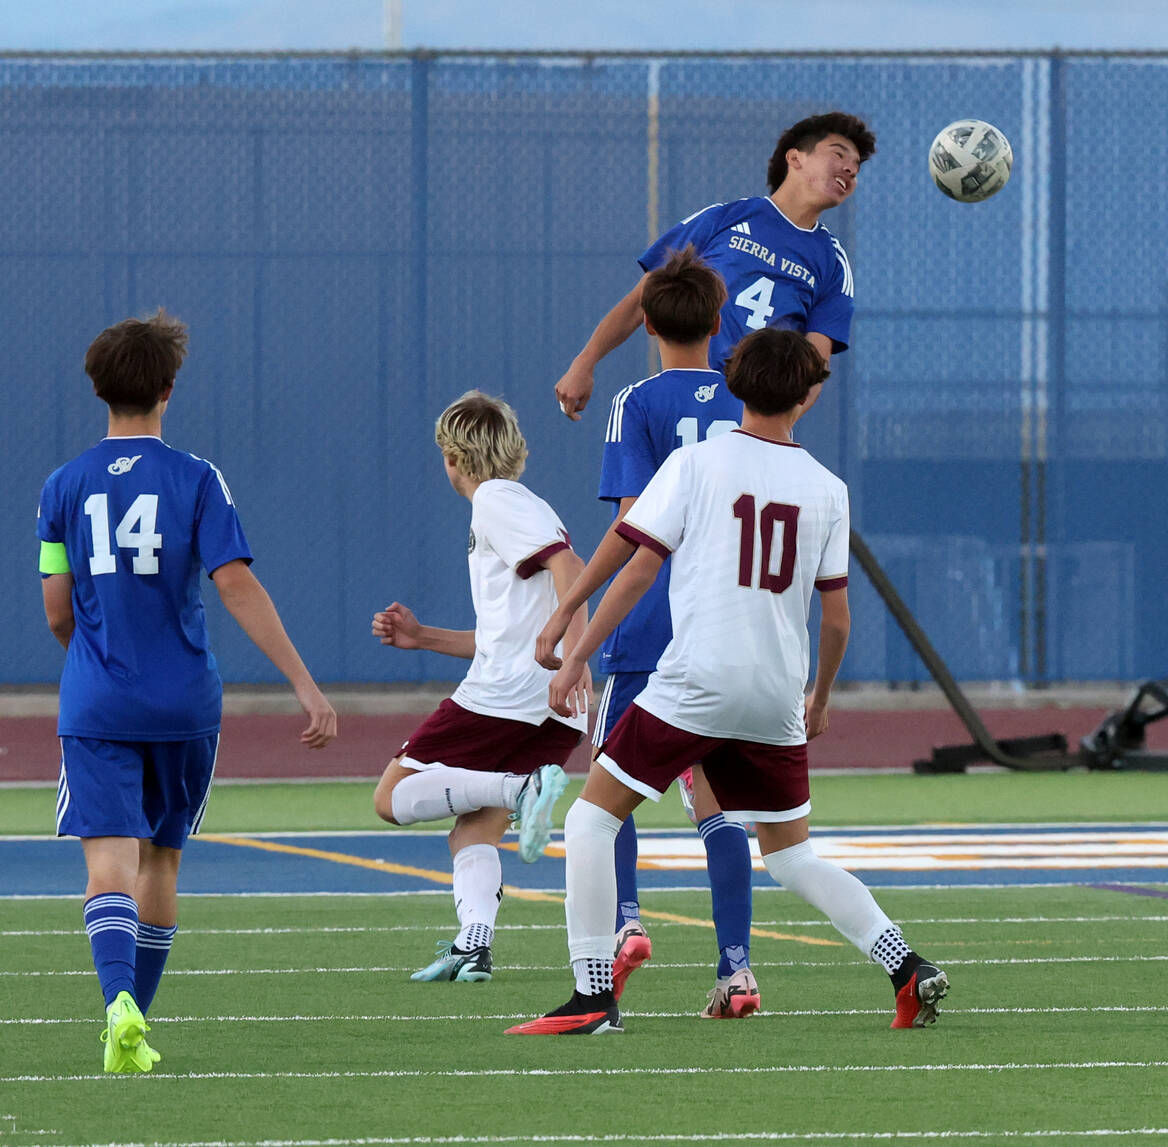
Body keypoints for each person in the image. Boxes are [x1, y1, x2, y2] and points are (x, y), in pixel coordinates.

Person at [508, 328, 948, 1035]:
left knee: (591, 818)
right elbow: (836, 620)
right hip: (775, 693)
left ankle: (593, 996)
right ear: (806, 395)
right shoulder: (827, 489)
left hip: (699, 682)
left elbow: (639, 567)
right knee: (793, 855)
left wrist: (575, 644)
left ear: (734, 382)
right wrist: (821, 697)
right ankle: (906, 965)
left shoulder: (696, 464)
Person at [37, 309, 337, 1073]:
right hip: (185, 707)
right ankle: (138, 1014)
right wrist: (305, 684)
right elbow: (234, 582)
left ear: (97, 389)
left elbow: (57, 608)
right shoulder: (198, 478)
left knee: (107, 864)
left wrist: (98, 664)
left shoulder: (62, 487)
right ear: (169, 389)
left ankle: (116, 1010)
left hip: (98, 703)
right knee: (162, 862)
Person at [540, 244, 759, 1017]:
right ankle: (737, 968)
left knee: (606, 791)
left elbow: (632, 530)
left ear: (647, 326)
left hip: (650, 622)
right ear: (719, 319)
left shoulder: (637, 402)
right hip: (729, 624)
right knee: (721, 802)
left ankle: (626, 922)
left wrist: (573, 621)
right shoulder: (747, 398)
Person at [372, 390, 590, 984]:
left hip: (515, 694)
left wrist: (575, 656)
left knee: (391, 797)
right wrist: (423, 638)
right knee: (473, 829)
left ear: (454, 456)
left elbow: (572, 568)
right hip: (547, 700)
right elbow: (506, 633)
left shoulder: (495, 500)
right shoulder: (516, 502)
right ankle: (474, 946)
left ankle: (522, 790)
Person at [553, 111, 875, 421]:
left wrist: (772, 426)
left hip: (757, 415)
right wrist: (585, 362)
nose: (850, 169)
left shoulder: (833, 262)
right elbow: (643, 297)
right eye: (839, 155)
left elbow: (814, 364)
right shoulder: (725, 218)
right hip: (688, 401)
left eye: (856, 166)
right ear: (795, 158)